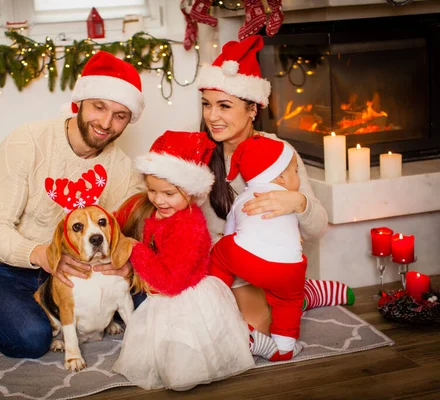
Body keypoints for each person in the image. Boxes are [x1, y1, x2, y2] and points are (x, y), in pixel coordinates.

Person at [0, 51, 146, 358]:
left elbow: (134, 228)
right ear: (80, 102)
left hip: (79, 266)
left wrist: (127, 262)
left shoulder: (121, 167)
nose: (106, 123)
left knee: (152, 299)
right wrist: (42, 254)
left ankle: (87, 312)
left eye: (120, 115)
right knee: (31, 338)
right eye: (99, 107)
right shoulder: (27, 142)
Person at [196, 36, 354, 336]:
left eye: (224, 106)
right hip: (218, 266)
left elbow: (317, 229)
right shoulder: (198, 151)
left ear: (253, 109)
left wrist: (298, 203)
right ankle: (295, 296)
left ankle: (302, 294)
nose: (212, 116)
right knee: (202, 332)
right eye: (207, 105)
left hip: (265, 267)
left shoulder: (279, 153)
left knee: (249, 334)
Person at [112, 130, 255, 391]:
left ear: (191, 191)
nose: (158, 200)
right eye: (152, 191)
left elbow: (172, 283)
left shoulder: (187, 226)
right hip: (160, 292)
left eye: (168, 193)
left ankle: (246, 345)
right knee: (157, 346)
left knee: (182, 373)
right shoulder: (161, 213)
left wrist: (134, 249)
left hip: (183, 298)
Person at [210, 135, 306, 361]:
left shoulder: (243, 197)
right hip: (289, 269)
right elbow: (292, 234)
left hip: (247, 260)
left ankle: (215, 292)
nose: (298, 177)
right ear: (282, 177)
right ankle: (285, 348)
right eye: (296, 172)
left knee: (221, 252)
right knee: (289, 302)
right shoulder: (289, 200)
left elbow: (232, 231)